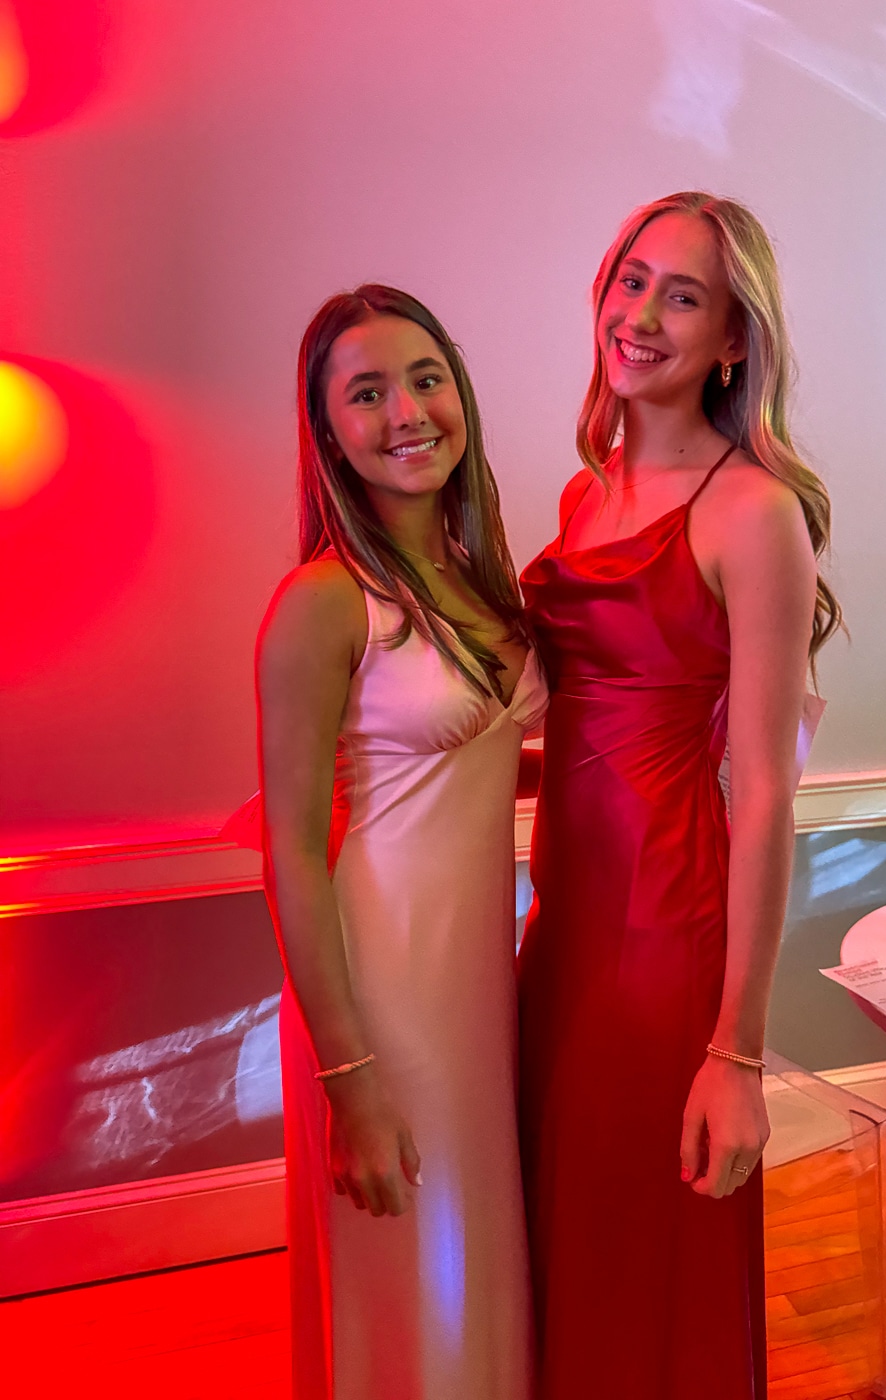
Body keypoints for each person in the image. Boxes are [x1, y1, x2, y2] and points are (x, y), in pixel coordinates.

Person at [517, 192, 843, 1400]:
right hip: (564, 927)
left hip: (665, 936)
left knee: (651, 1248)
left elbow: (764, 796)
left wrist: (736, 1051)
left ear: (734, 340)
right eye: (632, 279)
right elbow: (584, 733)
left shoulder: (753, 511)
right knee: (569, 1232)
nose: (642, 314)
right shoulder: (584, 493)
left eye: (685, 295)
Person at [256, 286, 546, 1399]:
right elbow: (291, 848)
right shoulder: (324, 601)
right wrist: (350, 1077)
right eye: (367, 393)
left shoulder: (481, 583)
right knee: (411, 1275)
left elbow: (472, 764)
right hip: (381, 993)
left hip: (477, 979)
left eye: (426, 379)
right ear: (328, 430)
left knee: (477, 1254)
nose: (408, 413)